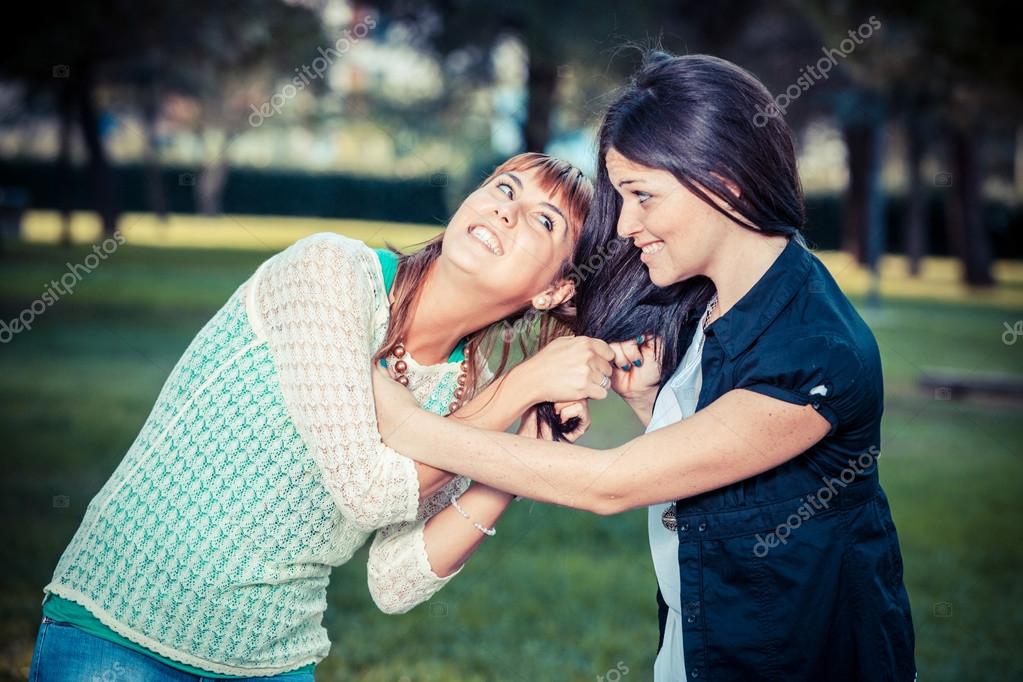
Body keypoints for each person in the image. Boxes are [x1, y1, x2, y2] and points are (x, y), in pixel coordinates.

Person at [371, 54, 916, 681]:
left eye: (642, 196)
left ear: (724, 181)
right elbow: (721, 485)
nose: (626, 224)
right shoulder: (710, 300)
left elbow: (612, 484)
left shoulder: (812, 352)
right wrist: (652, 403)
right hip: (698, 652)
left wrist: (406, 425)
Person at [29, 152, 615, 679]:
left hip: (274, 660)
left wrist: (516, 463)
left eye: (545, 220)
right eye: (504, 188)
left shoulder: (471, 389)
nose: (508, 211)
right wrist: (518, 391)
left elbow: (396, 579)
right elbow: (367, 491)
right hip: (118, 631)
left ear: (554, 292)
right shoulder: (330, 273)